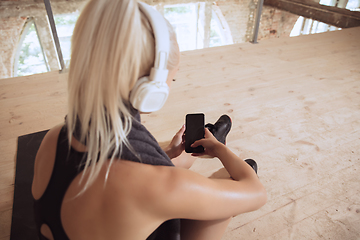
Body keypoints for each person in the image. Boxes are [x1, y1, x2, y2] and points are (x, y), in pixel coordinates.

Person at [31, 0, 267, 239]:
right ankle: (216, 142)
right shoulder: (157, 186)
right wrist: (220, 152)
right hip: (144, 195)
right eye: (171, 80)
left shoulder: (54, 137)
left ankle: (206, 139)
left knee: (182, 159)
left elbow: (119, 175)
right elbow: (255, 193)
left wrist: (168, 153)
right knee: (227, 181)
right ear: (150, 88)